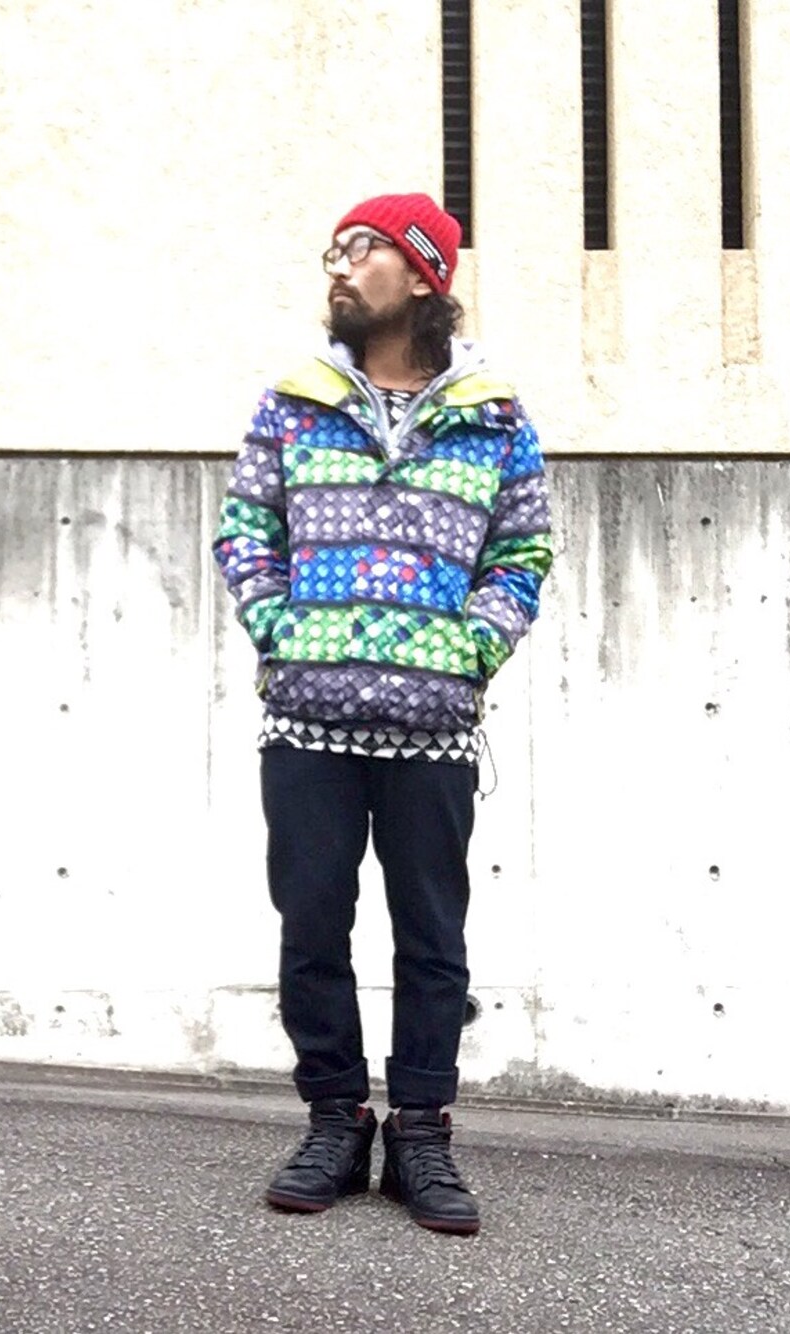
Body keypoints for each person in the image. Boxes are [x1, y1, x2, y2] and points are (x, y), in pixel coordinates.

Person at [213, 193, 552, 1236]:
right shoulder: (293, 402)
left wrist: (471, 649)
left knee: (432, 938)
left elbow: (522, 551)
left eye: (363, 248)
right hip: (307, 722)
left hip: (433, 729)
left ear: (423, 274)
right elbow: (245, 531)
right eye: (336, 248)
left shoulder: (494, 416)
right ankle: (333, 1121)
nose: (340, 264)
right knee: (312, 925)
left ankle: (421, 1135)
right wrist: (282, 631)